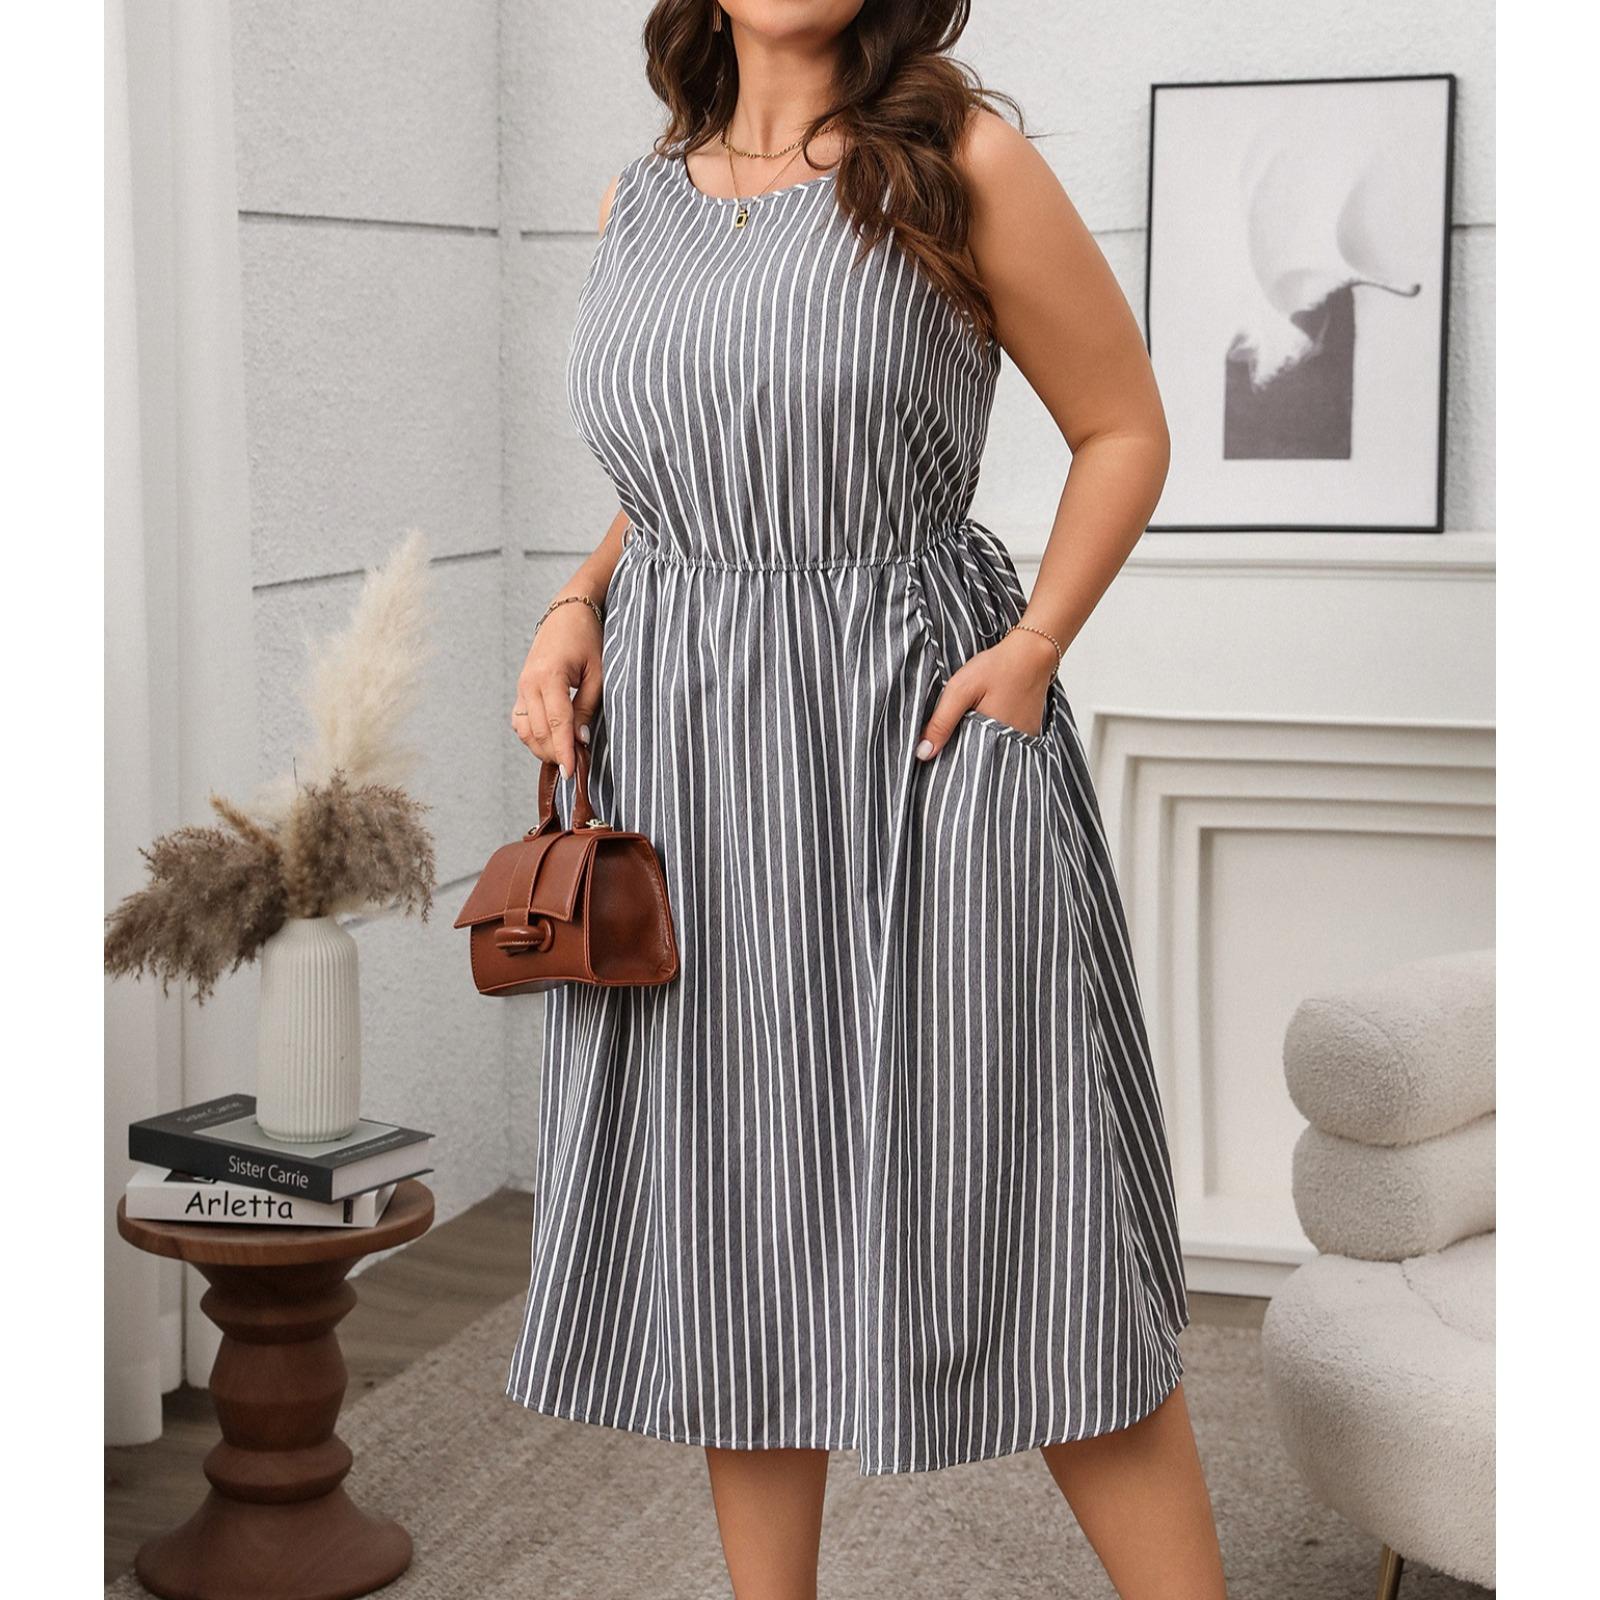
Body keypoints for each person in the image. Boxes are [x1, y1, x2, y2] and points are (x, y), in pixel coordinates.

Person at [509, 3, 1227, 1595]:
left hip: (918, 740)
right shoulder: (641, 199)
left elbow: (1124, 426)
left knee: (1026, 1193)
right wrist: (577, 599)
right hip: (691, 761)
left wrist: (1034, 647)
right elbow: (678, 464)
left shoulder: (960, 161)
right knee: (739, 1203)